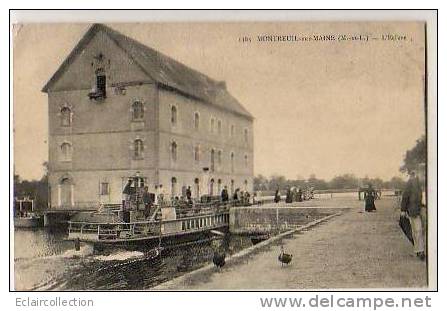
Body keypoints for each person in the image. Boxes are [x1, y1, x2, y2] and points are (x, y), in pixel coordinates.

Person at [401, 171, 425, 260]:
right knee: (417, 230)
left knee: (418, 231)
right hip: (414, 210)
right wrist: (403, 210)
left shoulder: (419, 183)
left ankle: (419, 250)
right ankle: (420, 251)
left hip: (420, 209)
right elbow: (405, 196)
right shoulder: (411, 182)